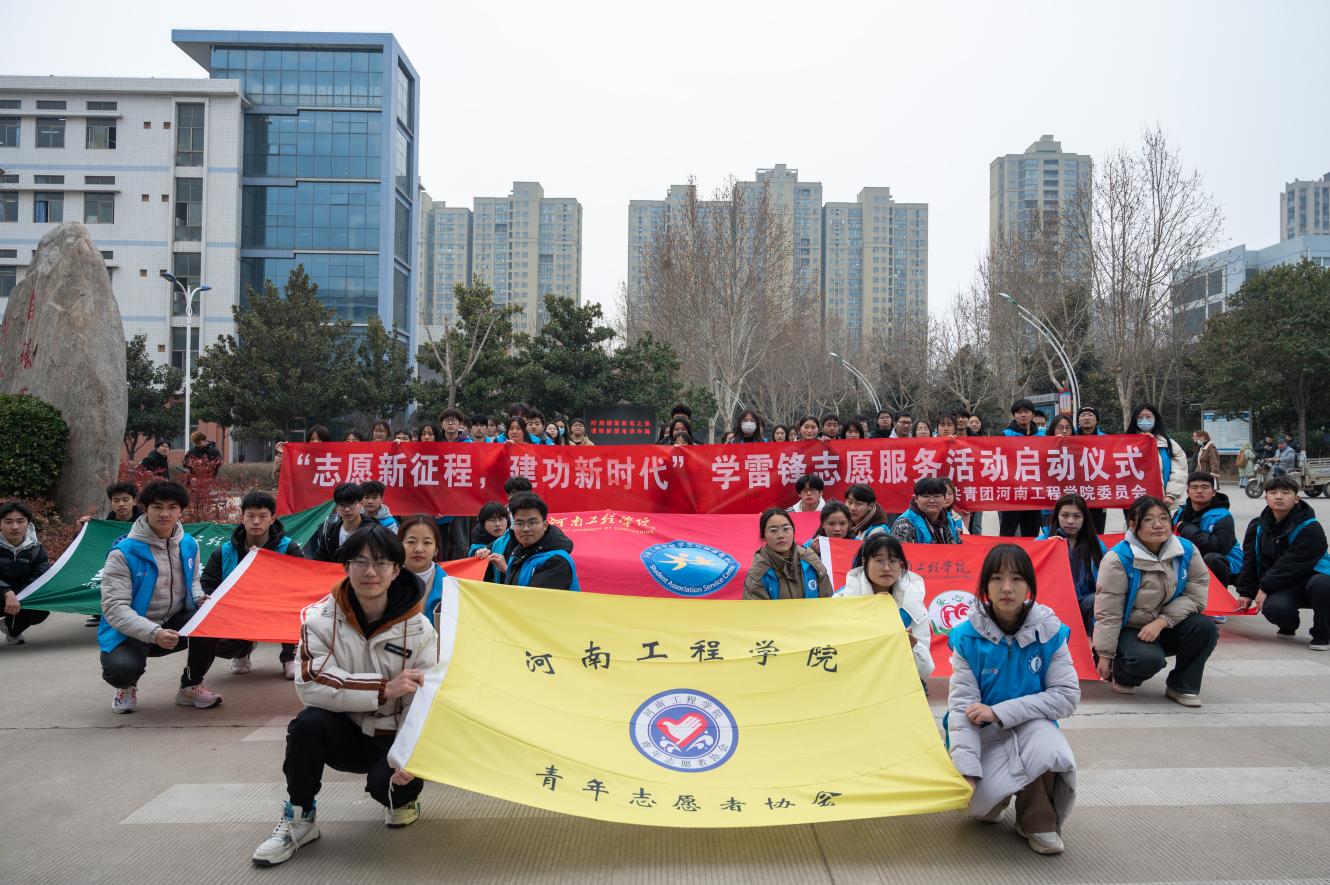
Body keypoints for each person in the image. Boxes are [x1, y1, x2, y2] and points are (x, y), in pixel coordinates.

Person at [251, 524, 438, 866]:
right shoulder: (318, 619)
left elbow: (425, 700)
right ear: (346, 566)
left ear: (397, 570)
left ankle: (404, 799)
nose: (370, 572)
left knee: (392, 791)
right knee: (307, 724)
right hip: (344, 732)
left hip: (392, 736)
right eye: (360, 562)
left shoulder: (420, 629)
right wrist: (383, 689)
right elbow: (311, 684)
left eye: (381, 563)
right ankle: (300, 817)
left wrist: (413, 755)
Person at [947, 543, 1079, 856]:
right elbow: (961, 706)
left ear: (1029, 585)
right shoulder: (966, 637)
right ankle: (997, 799)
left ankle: (1037, 819)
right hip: (985, 735)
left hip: (1032, 728)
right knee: (980, 811)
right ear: (985, 586)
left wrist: (998, 712)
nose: (1007, 588)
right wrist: (967, 770)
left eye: (1017, 578)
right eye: (996, 578)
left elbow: (1066, 696)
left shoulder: (1050, 632)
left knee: (1049, 748)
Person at [98, 480, 223, 713]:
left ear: (181, 511)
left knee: (211, 619)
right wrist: (154, 633)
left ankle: (190, 686)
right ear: (144, 508)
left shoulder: (188, 543)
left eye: (172, 507)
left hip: (173, 622)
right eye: (157, 507)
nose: (165, 514)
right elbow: (115, 608)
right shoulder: (123, 553)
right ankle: (126, 686)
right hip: (132, 630)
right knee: (120, 670)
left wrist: (199, 599)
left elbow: (193, 580)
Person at [1093, 496, 1216, 706]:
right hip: (1131, 629)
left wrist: (1162, 621)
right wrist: (1104, 655)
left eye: (1163, 518)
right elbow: (1109, 611)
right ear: (1133, 525)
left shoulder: (1186, 550)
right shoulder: (1118, 558)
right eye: (1148, 519)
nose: (1158, 525)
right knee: (1146, 661)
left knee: (1205, 627)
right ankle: (1122, 673)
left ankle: (1182, 686)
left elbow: (1196, 596)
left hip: (1166, 624)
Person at [201, 491, 305, 678]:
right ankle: (242, 651)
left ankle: (290, 657)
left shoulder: (288, 548)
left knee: (302, 608)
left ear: (273, 518)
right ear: (242, 518)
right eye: (251, 516)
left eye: (263, 516)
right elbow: (208, 585)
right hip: (239, 609)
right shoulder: (224, 552)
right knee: (214, 640)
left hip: (279, 606)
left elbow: (303, 584)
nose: (256, 522)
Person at [1234, 474, 1330, 650]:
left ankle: (1322, 634)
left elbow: (1293, 563)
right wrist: (1246, 592)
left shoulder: (1310, 527)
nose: (1279, 497)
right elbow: (1250, 559)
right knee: (1274, 608)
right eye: (1273, 492)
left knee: (1323, 585)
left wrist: (1264, 587)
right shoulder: (1257, 526)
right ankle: (1289, 624)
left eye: (1285, 493)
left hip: (1312, 578)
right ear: (1266, 498)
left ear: (1296, 498)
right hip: (1284, 583)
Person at [834, 534, 932, 679]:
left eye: (893, 561)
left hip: (899, 683)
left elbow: (925, 671)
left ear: (900, 564)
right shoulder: (843, 601)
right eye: (879, 561)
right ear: (865, 562)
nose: (886, 568)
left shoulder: (912, 602)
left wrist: (913, 647)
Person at [1037, 494, 1105, 634]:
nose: (1070, 521)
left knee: (1100, 600)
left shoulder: (1096, 545)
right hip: (1051, 605)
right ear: (1057, 516)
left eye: (1077, 516)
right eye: (1065, 515)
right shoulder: (1042, 542)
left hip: (1084, 603)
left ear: (1085, 518)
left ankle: (1094, 643)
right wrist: (1048, 549)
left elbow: (1106, 583)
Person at [742, 509, 832, 599]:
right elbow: (756, 607)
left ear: (793, 531)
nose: (781, 535)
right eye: (773, 531)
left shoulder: (811, 560)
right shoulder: (757, 574)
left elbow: (828, 599)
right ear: (764, 536)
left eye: (786, 529)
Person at [1172, 471, 1242, 588]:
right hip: (1192, 557)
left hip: (1226, 563)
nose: (1199, 491)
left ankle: (1218, 597)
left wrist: (1186, 529)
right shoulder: (1180, 513)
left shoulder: (1222, 515)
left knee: (1211, 558)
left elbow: (1219, 547)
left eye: (1205, 487)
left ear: (1213, 492)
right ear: (1187, 491)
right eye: (1194, 487)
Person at [497, 493, 578, 590]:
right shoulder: (518, 553)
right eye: (519, 523)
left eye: (532, 523)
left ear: (545, 525)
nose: (525, 529)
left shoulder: (557, 560)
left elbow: (532, 599)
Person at [1, 501, 52, 645]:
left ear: (28, 524)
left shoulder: (36, 548)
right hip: (2, 594)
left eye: (20, 521)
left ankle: (10, 628)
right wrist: (6, 592)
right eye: (8, 522)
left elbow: (40, 575)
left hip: (20, 597)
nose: (15, 527)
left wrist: (19, 596)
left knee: (40, 609)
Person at [1126, 404, 1186, 510]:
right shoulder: (1125, 444)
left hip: (1163, 501)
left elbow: (1179, 471)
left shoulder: (1169, 445)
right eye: (1140, 417)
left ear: (1156, 419)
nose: (1144, 420)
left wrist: (1171, 495)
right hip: (1133, 501)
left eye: (1148, 416)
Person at [1000, 399, 1045, 538]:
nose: (1023, 415)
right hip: (1012, 492)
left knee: (1031, 534)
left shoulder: (1043, 436)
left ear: (1032, 414)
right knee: (1007, 533)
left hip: (1034, 493)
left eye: (1026, 412)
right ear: (1014, 415)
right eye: (1019, 412)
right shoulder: (1005, 435)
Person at [398, 516, 449, 623]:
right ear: (399, 545)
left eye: (427, 543)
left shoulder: (449, 589)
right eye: (411, 542)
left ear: (436, 549)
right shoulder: (385, 583)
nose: (418, 549)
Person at [304, 483, 366, 562]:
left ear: (361, 503)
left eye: (351, 504)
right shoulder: (330, 533)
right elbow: (319, 563)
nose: (347, 509)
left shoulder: (373, 531)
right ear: (336, 506)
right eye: (342, 505)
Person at [892, 477, 962, 544]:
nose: (932, 500)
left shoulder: (949, 521)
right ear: (916, 498)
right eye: (926, 496)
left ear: (944, 498)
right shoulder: (905, 523)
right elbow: (904, 551)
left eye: (937, 496)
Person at [468, 501, 512, 583]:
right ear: (483, 523)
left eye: (501, 519)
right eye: (492, 520)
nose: (497, 524)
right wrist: (477, 555)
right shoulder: (477, 541)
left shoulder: (514, 539)